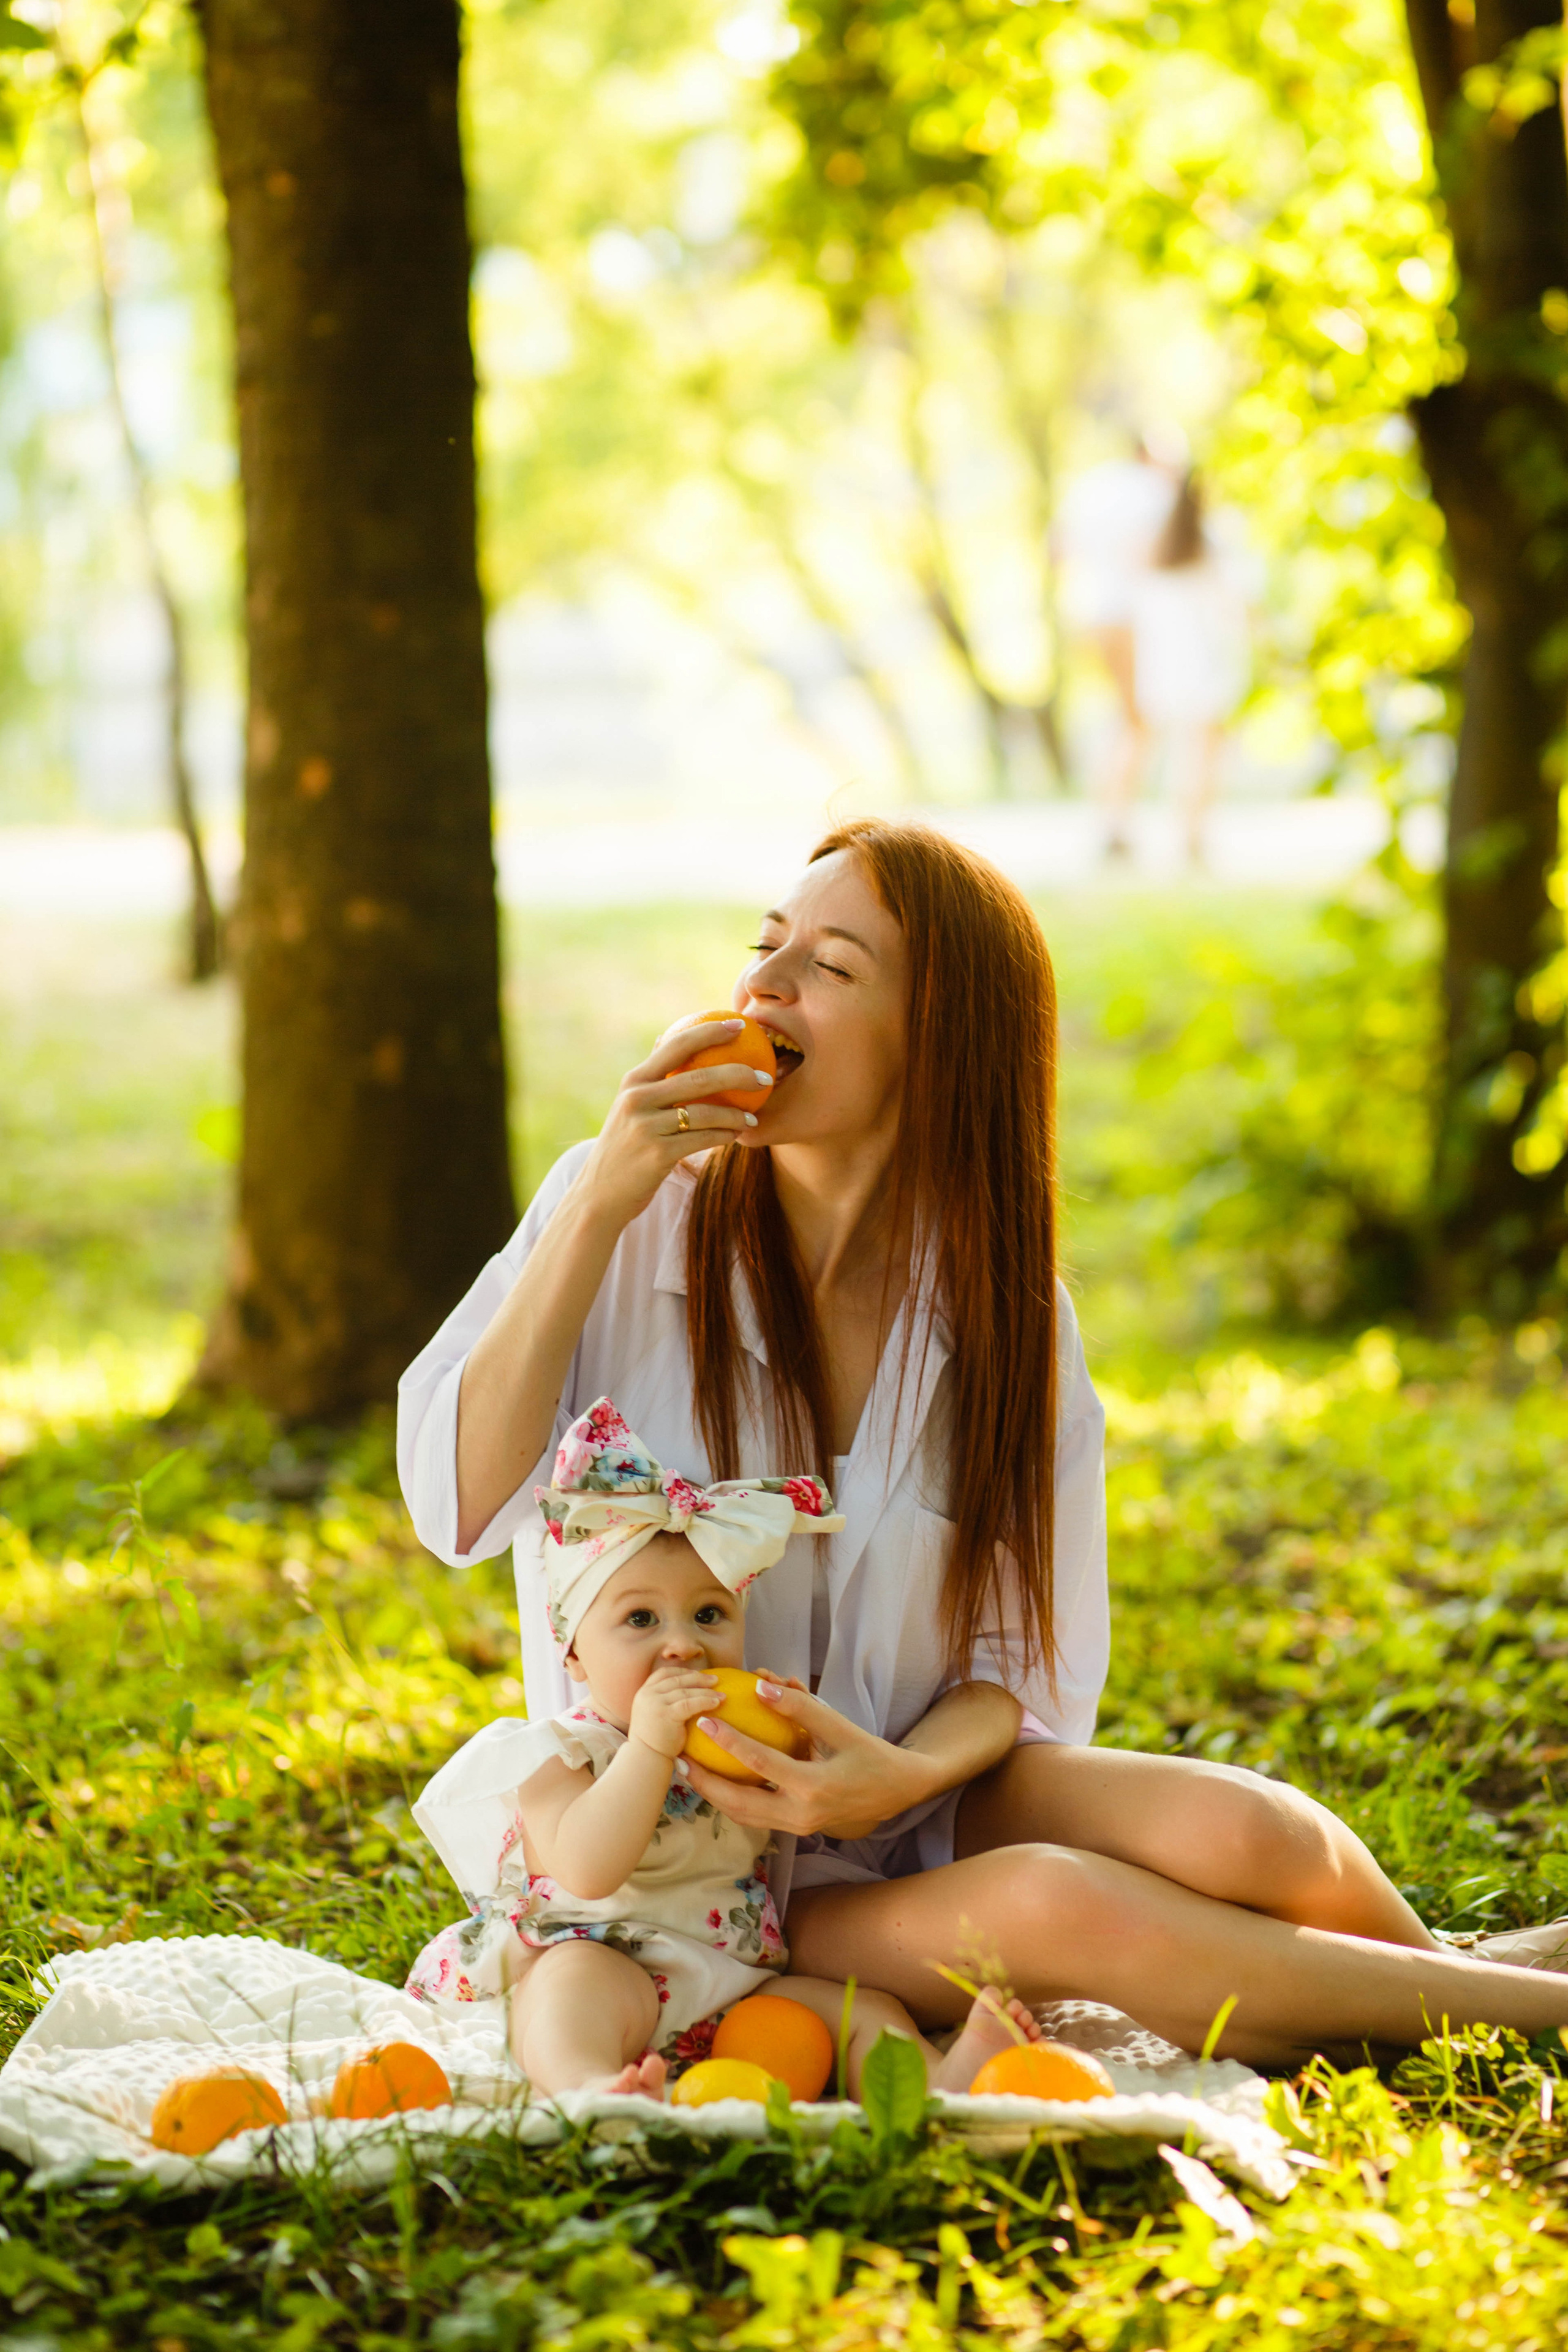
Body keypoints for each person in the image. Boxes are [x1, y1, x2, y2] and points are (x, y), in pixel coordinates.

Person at [399, 816, 1568, 2071]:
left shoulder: (1001, 1307)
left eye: (831, 968)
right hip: (699, 1867)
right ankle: (1518, 2007)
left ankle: (1435, 1980)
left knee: (1259, 1837)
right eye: (766, 946)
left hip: (914, 1800)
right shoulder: (623, 1214)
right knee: (1060, 1908)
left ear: (940, 1040)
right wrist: (597, 1207)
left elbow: (1015, 1667)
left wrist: (891, 1779)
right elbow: (455, 1507)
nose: (764, 987)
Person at [405, 1395, 1042, 2098]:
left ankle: (931, 2083)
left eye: (709, 1614)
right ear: (576, 1655)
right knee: (567, 1992)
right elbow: (587, 1869)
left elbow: (828, 1818)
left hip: (732, 1986)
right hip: (603, 1965)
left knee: (858, 2009)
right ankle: (591, 2090)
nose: (682, 1643)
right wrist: (647, 1751)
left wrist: (802, 1754)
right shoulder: (563, 1753)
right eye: (640, 1618)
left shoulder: (732, 1745)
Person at [1053, 434, 1177, 854]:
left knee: (1125, 714)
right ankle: (1113, 822)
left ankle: (1111, 818)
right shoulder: (1152, 491)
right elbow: (1152, 554)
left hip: (1088, 612)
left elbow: (1057, 549)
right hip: (1130, 613)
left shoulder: (1091, 485)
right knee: (1138, 717)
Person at [1127, 468, 1251, 867]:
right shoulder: (1214, 544)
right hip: (1207, 663)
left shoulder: (1155, 545)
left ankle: (1184, 833)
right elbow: (1237, 604)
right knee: (1206, 755)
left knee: (1183, 753)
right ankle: (1193, 835)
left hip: (1164, 663)